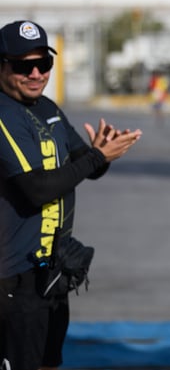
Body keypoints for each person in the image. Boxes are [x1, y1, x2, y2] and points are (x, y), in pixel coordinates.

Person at [0, 20, 142, 370]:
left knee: (49, 362)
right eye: (23, 65)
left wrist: (101, 152)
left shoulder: (48, 110)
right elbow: (37, 189)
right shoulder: (4, 115)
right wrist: (96, 157)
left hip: (50, 273)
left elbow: (87, 166)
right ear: (2, 65)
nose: (36, 73)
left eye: (43, 64)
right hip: (12, 280)